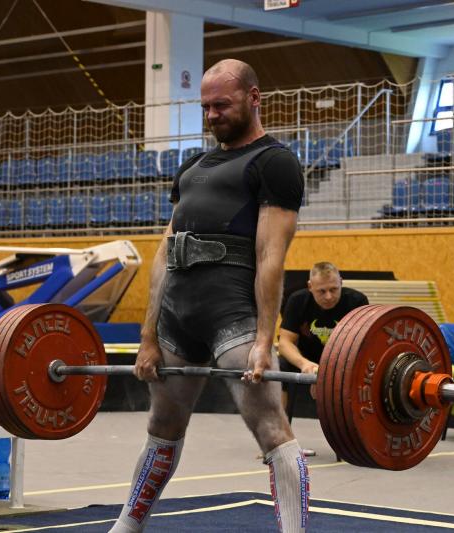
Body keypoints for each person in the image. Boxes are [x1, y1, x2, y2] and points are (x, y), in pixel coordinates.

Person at [109, 59, 308, 532]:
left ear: (254, 98)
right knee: (161, 426)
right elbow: (164, 254)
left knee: (271, 428)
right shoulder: (192, 167)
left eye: (223, 104)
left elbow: (270, 256)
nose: (212, 114)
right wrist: (149, 335)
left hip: (233, 316)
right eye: (206, 107)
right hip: (177, 319)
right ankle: (127, 527)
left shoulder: (275, 163)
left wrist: (264, 339)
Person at [277, 262, 368, 454]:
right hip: (307, 359)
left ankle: (355, 440)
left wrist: (326, 373)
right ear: (310, 287)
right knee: (279, 366)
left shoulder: (357, 302)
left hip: (343, 360)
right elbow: (285, 343)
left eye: (334, 289)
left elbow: (362, 346)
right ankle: (280, 440)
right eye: (322, 291)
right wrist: (305, 366)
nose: (328, 296)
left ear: (341, 282)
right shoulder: (297, 301)